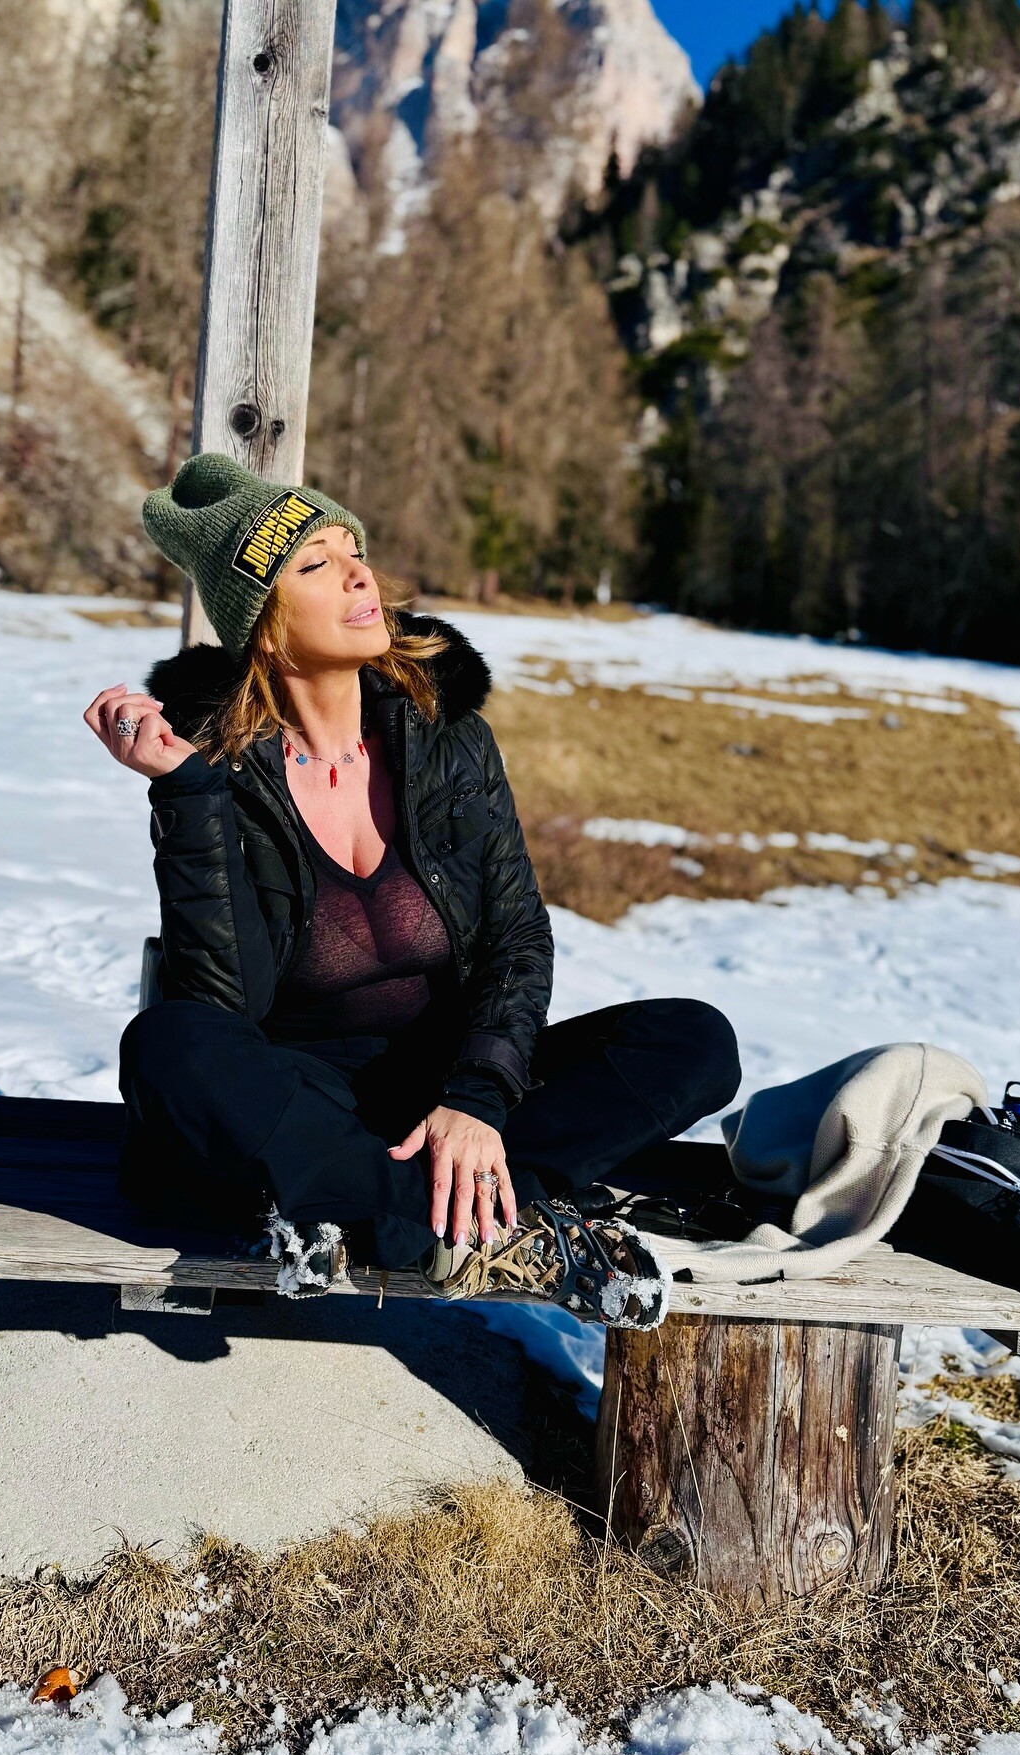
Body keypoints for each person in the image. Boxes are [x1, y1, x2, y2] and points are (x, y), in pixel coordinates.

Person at [83, 453, 740, 1324]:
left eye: (354, 550)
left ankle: (373, 1207)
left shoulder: (447, 741)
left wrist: (474, 1100)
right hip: (304, 1102)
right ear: (265, 626)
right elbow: (224, 1004)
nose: (360, 574)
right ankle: (475, 1225)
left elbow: (516, 940)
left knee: (694, 1040)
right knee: (169, 1046)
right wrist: (186, 794)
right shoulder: (224, 775)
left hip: (445, 1089)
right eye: (315, 564)